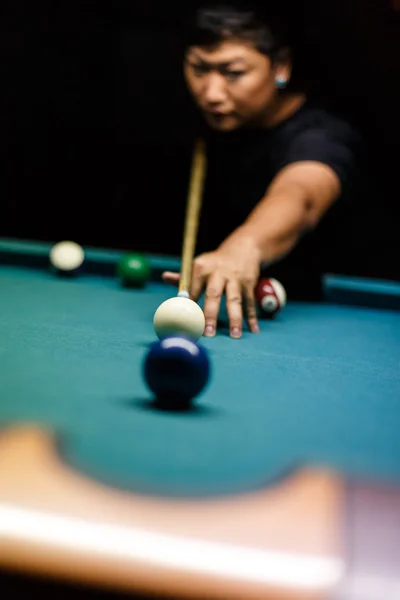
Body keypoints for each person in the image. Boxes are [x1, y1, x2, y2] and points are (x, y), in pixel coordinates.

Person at [163, 2, 362, 338]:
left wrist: (243, 247)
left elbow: (300, 196)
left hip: (326, 314)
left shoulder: (321, 136)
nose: (211, 93)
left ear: (281, 66)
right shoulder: (199, 124)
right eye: (198, 68)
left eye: (234, 73)